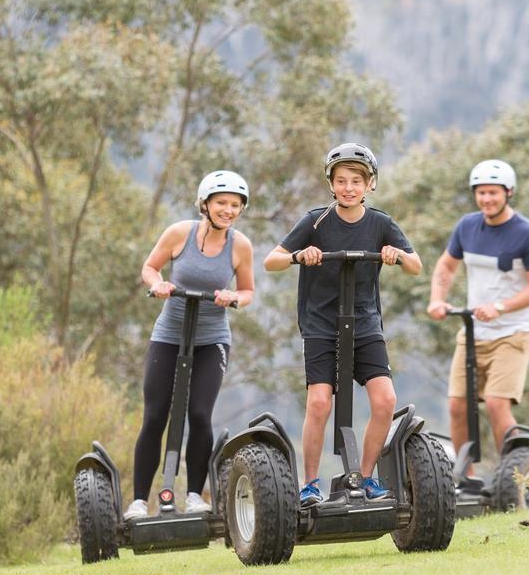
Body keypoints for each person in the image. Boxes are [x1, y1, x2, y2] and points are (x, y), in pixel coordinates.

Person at [264, 142, 422, 507]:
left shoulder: (380, 223)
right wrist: (299, 255)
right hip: (321, 324)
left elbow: (416, 265)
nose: (348, 187)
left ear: (370, 185)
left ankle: (364, 478)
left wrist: (396, 254)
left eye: (356, 181)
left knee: (385, 400)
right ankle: (309, 485)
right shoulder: (315, 221)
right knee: (320, 402)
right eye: (341, 181)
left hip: (365, 322)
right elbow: (272, 260)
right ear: (331, 184)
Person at [126, 171, 255, 520]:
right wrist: (160, 284)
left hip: (211, 340)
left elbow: (248, 291)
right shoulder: (178, 234)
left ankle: (196, 495)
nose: (228, 210)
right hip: (169, 334)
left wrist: (233, 297)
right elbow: (150, 268)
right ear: (206, 204)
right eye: (221, 203)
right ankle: (139, 500)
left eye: (235, 205)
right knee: (155, 415)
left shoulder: (240, 245)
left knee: (199, 414)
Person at [426, 159, 529, 461]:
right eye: (480, 193)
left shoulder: (528, 234)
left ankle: (512, 477)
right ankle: (464, 480)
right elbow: (446, 266)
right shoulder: (467, 227)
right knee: (458, 405)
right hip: (473, 331)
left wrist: (500, 308)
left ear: (509, 193)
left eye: (493, 193)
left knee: (496, 404)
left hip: (514, 332)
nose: (486, 199)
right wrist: (437, 299)